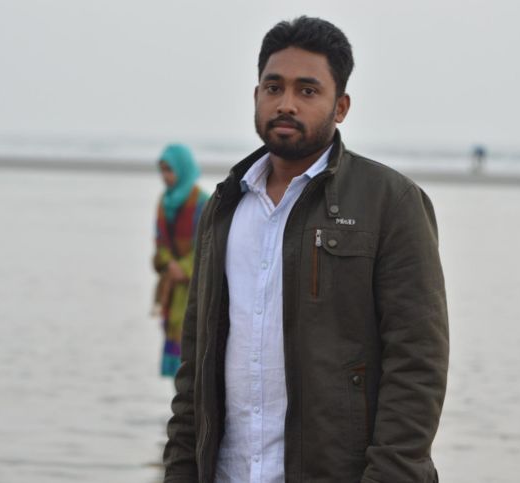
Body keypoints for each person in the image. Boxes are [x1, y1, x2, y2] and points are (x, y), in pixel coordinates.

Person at [164, 16, 449, 483]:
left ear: (341, 107)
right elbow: (195, 365)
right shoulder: (224, 206)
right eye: (273, 87)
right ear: (256, 95)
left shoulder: (389, 202)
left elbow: (418, 364)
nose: (286, 103)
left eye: (308, 90)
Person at [153, 144, 208, 378]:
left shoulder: (203, 202)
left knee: (194, 345)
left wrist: (184, 269)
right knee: (174, 340)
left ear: (183, 169)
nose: (165, 176)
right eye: (162, 170)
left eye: (170, 170)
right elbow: (159, 243)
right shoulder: (164, 203)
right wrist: (168, 264)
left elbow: (208, 246)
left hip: (196, 288)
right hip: (171, 288)